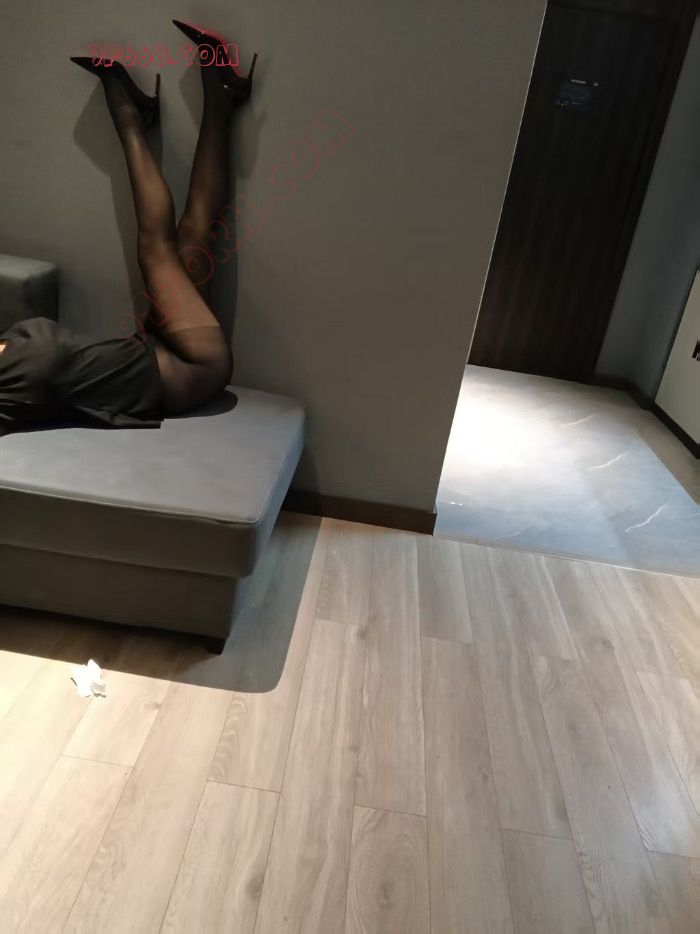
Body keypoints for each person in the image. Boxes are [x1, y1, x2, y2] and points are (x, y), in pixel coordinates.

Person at [0, 20, 257, 437]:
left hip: (158, 345)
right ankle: (136, 115)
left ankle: (212, 99)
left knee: (191, 236)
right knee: (155, 249)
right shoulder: (7, 397)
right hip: (196, 367)